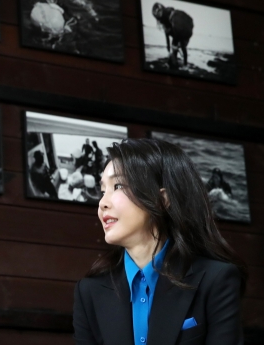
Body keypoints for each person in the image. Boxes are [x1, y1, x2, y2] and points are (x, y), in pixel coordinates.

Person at [73, 138, 246, 345]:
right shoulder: (89, 291)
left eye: (117, 185)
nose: (102, 203)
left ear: (162, 200)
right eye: (103, 191)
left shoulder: (216, 280)